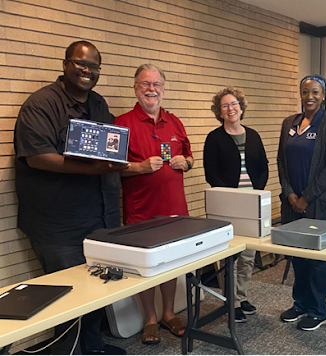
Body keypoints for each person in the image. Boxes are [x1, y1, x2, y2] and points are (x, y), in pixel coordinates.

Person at [14, 41, 127, 356]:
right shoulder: (41, 104)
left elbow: (107, 151)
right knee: (67, 298)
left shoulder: (99, 104)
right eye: (80, 63)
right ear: (65, 64)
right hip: (59, 225)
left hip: (99, 218)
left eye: (94, 66)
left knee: (94, 291)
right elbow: (38, 157)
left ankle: (93, 347)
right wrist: (95, 170)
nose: (87, 70)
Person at [115, 64, 193, 344]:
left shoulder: (175, 122)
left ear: (163, 89)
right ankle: (150, 318)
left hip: (175, 211)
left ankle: (168, 313)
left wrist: (187, 162)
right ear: (135, 88)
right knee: (144, 267)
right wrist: (139, 167)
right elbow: (112, 168)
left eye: (157, 84)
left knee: (169, 264)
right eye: (145, 84)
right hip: (141, 212)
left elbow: (189, 155)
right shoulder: (122, 123)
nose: (151, 89)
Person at [277, 75, 326, 331]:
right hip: (292, 202)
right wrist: (289, 192)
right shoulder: (289, 123)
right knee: (296, 254)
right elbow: (281, 160)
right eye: (305, 92)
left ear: (324, 94)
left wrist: (306, 198)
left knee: (316, 258)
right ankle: (300, 304)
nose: (310, 97)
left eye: (315, 92)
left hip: (319, 205)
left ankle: (318, 310)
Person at [204, 86, 269, 323]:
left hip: (252, 203)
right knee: (230, 255)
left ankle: (241, 297)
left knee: (248, 254)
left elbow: (263, 167)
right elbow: (211, 174)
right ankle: (230, 301)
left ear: (241, 107)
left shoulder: (253, 135)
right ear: (219, 112)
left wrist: (256, 193)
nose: (230, 109)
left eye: (234, 104)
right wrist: (233, 197)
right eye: (225, 105)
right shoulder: (214, 138)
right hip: (228, 205)